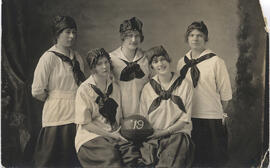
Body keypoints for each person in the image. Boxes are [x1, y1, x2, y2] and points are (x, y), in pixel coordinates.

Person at [177, 21, 232, 167]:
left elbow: (225, 96)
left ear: (205, 38)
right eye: (192, 35)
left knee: (213, 161)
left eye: (200, 35)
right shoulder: (181, 63)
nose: (195, 39)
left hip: (211, 119)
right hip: (188, 119)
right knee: (192, 161)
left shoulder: (216, 62)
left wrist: (215, 112)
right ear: (187, 38)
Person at [31, 15, 85, 167]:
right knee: (52, 158)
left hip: (76, 112)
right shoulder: (48, 58)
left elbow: (81, 86)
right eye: (67, 32)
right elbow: (37, 90)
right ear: (57, 34)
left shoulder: (77, 58)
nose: (72, 36)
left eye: (74, 32)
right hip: (56, 112)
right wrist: (55, 98)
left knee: (73, 157)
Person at [75, 48, 132, 167]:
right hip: (91, 137)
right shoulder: (84, 89)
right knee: (111, 157)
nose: (105, 66)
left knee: (132, 155)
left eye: (106, 62)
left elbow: (119, 116)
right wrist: (111, 136)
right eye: (99, 64)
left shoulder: (114, 88)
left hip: (113, 133)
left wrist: (121, 133)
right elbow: (86, 124)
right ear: (92, 68)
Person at [139, 46, 194, 168]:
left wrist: (165, 132)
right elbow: (144, 118)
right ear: (151, 66)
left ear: (168, 60)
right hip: (154, 135)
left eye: (163, 59)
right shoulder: (147, 89)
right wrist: (153, 134)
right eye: (155, 61)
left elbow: (185, 119)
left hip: (177, 134)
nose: (160, 64)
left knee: (170, 161)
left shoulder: (185, 85)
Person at [110, 17, 149, 118]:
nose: (134, 40)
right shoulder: (111, 59)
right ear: (123, 37)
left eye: (137, 36)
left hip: (143, 110)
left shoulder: (146, 59)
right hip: (119, 111)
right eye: (129, 36)